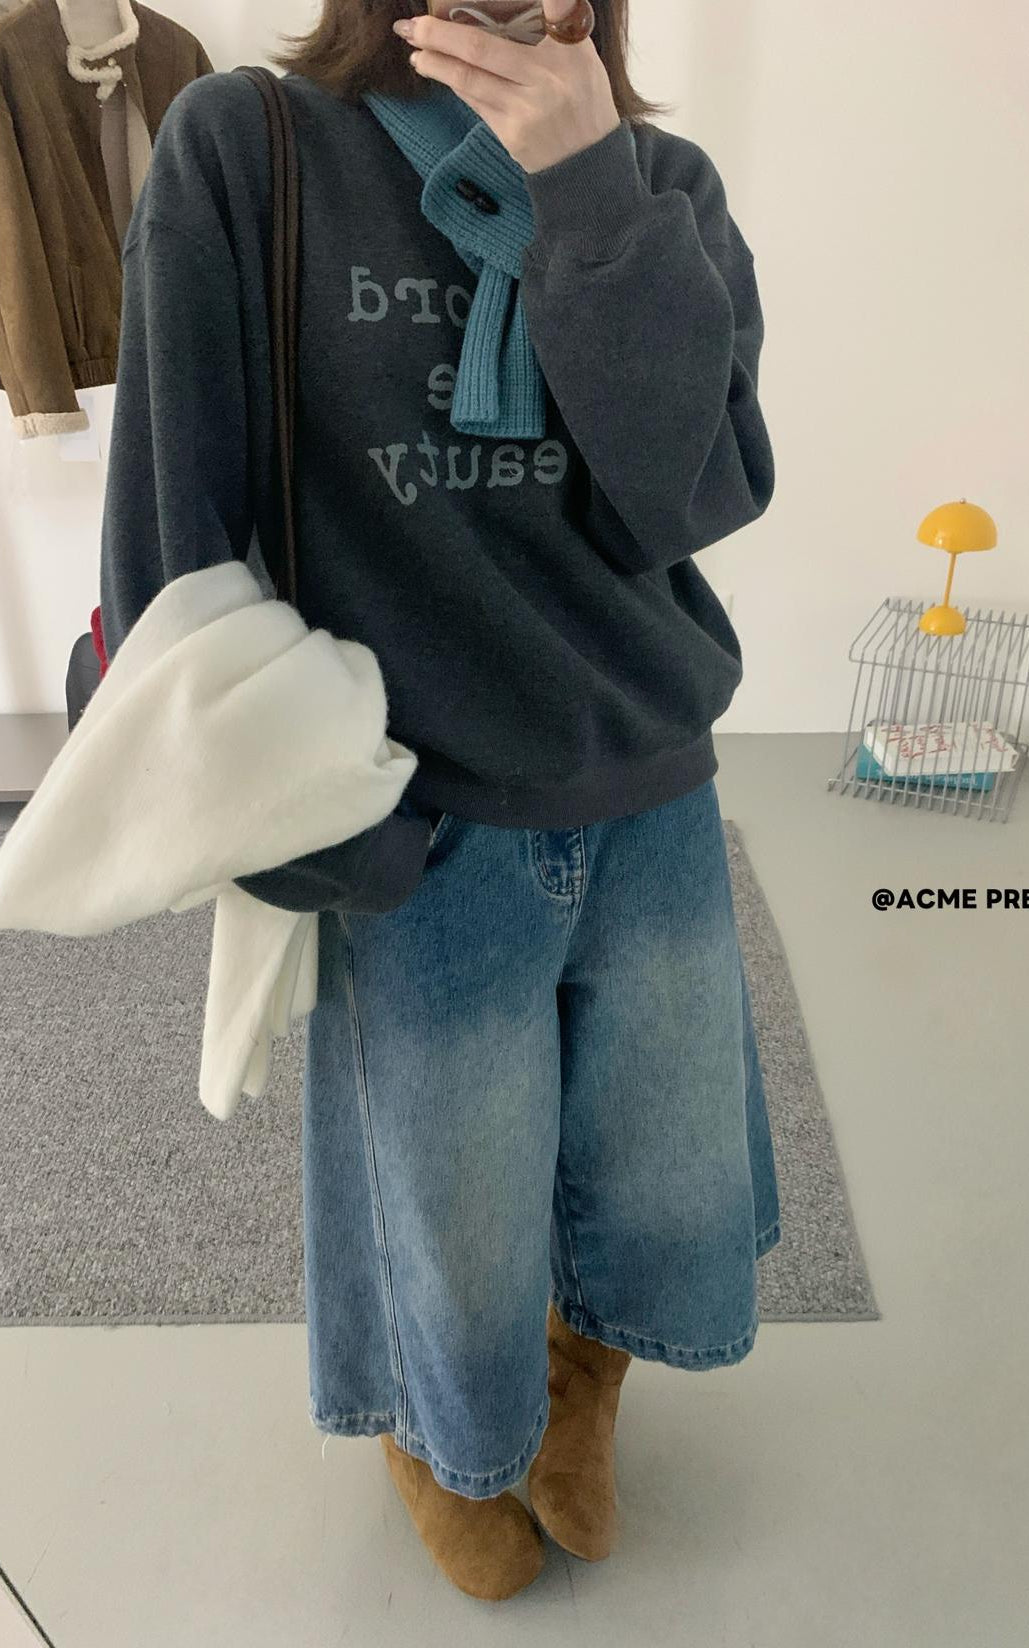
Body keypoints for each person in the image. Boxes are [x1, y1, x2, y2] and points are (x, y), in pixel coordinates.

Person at [98, 0, 781, 1603]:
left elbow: (694, 498)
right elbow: (167, 537)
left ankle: (579, 1391)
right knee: (450, 1202)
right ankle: (442, 1439)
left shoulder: (663, 183)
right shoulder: (248, 148)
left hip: (648, 786)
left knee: (659, 1169)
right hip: (416, 810)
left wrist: (591, 192)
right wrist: (305, 818)